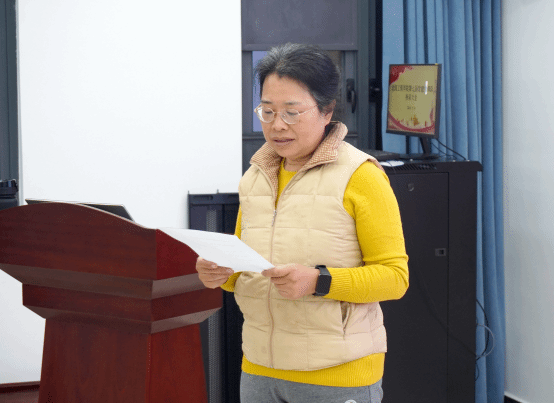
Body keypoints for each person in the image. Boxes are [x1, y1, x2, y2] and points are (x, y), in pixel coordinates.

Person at [196, 43, 409, 403]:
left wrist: (318, 281)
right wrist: (221, 272)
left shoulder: (361, 176)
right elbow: (245, 269)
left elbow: (394, 278)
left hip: (338, 375)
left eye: (291, 112)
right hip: (259, 370)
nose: (277, 125)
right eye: (267, 111)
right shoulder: (255, 177)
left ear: (327, 111)